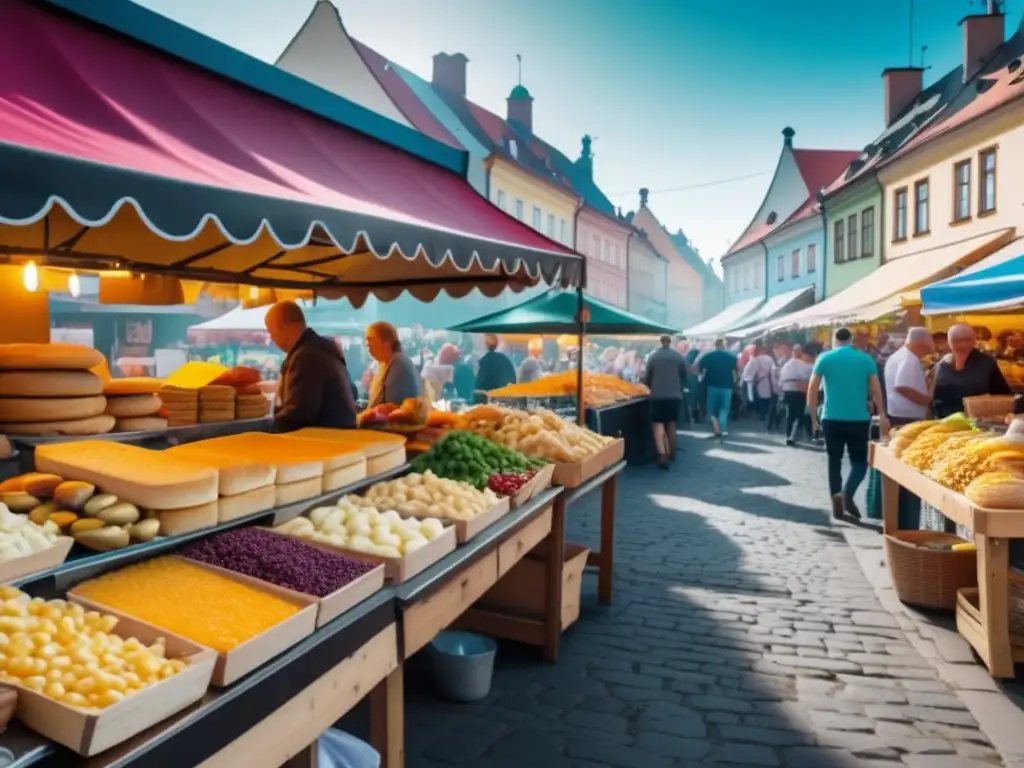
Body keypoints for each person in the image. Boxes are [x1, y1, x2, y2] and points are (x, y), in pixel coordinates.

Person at [808, 327, 888, 520]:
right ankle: (848, 492)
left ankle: (836, 495)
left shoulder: (824, 359)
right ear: (852, 340)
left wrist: (813, 419)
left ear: (835, 340)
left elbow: (812, 389)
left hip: (831, 417)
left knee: (833, 460)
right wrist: (882, 413)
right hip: (858, 418)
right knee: (860, 462)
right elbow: (877, 389)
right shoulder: (865, 359)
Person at [264, 300, 358, 432]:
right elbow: (353, 392)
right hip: (341, 440)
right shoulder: (323, 350)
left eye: (270, 331)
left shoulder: (306, 357)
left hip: (326, 444)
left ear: (283, 327)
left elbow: (299, 413)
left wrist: (264, 426)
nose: (271, 338)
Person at [932, 323, 1012, 418]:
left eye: (967, 340)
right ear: (949, 342)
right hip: (944, 420)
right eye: (957, 340)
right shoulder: (940, 364)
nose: (963, 344)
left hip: (978, 420)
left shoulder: (986, 363)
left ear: (974, 341)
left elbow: (1002, 393)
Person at [644, 335, 687, 468]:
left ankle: (662, 454)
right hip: (675, 395)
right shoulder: (679, 356)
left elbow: (647, 377)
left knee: (658, 425)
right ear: (670, 342)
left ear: (661, 342)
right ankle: (672, 453)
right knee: (672, 424)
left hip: (658, 395)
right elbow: (684, 376)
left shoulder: (653, 356)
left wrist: (649, 386)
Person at [884, 327, 935, 427]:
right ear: (920, 344)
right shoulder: (909, 358)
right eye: (926, 349)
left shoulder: (902, 355)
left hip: (899, 413)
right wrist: (928, 402)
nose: (925, 354)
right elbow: (902, 387)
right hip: (908, 416)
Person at [365, 321, 422, 407]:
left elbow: (391, 408)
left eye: (370, 339)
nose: (367, 344)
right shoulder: (388, 362)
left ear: (386, 342)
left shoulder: (398, 365)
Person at [699, 338, 738, 440]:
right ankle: (723, 429)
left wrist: (701, 379)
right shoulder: (732, 356)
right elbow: (737, 370)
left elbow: (700, 368)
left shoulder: (708, 355)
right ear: (724, 345)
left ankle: (716, 431)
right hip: (727, 386)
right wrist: (736, 381)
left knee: (712, 409)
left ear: (715, 345)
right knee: (724, 409)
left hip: (712, 385)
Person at [779, 343, 813, 446]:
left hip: (788, 391)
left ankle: (790, 435)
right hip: (799, 391)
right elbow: (810, 375)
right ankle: (794, 436)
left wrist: (780, 392)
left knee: (790, 415)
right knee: (799, 414)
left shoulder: (786, 365)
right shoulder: (804, 365)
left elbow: (780, 380)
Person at [474, 334, 516, 400]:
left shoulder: (486, 360)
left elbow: (480, 385)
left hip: (492, 401)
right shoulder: (505, 360)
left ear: (485, 344)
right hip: (507, 399)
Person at [741, 342, 774, 421]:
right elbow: (773, 371)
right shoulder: (769, 359)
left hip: (756, 381)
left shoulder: (756, 359)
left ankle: (755, 410)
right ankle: (762, 412)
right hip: (765, 380)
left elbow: (753, 371)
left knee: (755, 396)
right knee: (765, 397)